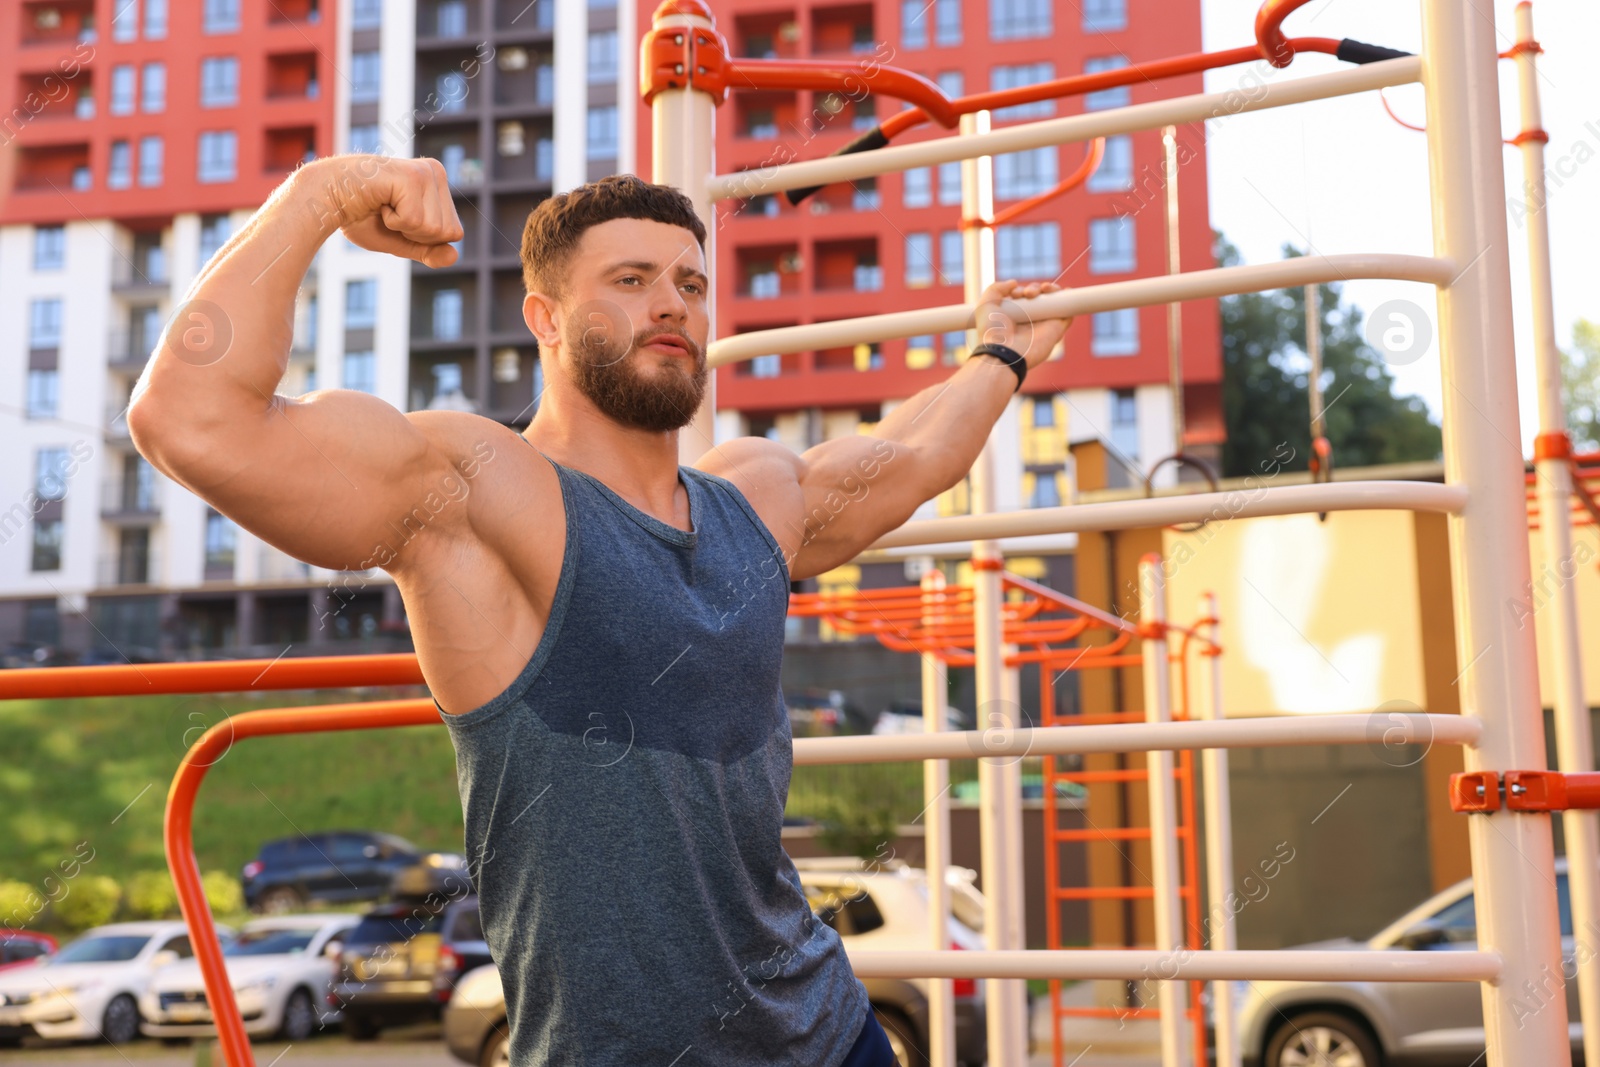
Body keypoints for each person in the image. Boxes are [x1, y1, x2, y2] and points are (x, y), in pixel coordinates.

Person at [128, 155, 1074, 1066]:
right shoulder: (478, 489)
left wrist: (999, 351)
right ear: (544, 317)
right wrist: (324, 193)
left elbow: (910, 457)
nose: (671, 302)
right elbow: (189, 418)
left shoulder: (756, 497)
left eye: (691, 284)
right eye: (630, 278)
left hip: (834, 1036)